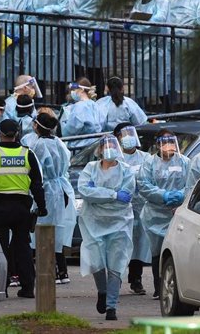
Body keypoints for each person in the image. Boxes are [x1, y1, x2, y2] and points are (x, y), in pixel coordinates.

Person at [0, 119, 47, 299]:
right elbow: (37, 183)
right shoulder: (27, 154)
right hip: (22, 208)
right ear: (17, 134)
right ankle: (28, 288)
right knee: (23, 248)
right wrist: (42, 206)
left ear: (0, 134)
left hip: (1, 208)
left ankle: (2, 287)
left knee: (1, 249)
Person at [77, 135, 135, 320]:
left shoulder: (126, 170)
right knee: (96, 262)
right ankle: (102, 291)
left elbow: (127, 195)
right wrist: (113, 194)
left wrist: (99, 194)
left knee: (116, 265)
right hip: (93, 221)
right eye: (105, 146)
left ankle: (111, 307)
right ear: (99, 150)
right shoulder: (90, 168)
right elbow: (85, 191)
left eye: (112, 145)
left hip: (119, 223)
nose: (109, 149)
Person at [138, 130, 189, 299]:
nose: (169, 145)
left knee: (176, 252)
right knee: (157, 252)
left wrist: (181, 196)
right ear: (158, 144)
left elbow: (192, 182)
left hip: (178, 212)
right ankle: (159, 287)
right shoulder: (149, 163)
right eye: (164, 142)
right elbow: (144, 185)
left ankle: (177, 287)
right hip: (155, 214)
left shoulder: (184, 162)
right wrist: (163, 196)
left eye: (171, 141)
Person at [27, 113, 77, 285]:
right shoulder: (58, 142)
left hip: (46, 188)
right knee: (56, 230)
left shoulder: (39, 145)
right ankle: (61, 271)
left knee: (43, 231)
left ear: (37, 126)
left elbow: (35, 169)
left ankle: (48, 271)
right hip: (59, 188)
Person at [113, 123, 151, 295]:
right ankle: (115, 279)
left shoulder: (145, 158)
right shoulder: (114, 158)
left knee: (139, 243)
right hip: (120, 207)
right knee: (119, 243)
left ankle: (136, 279)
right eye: (123, 134)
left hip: (140, 206)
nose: (127, 137)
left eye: (130, 133)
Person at [31, 0, 77, 97]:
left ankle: (59, 100)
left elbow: (66, 7)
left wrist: (46, 10)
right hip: (42, 33)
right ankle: (40, 100)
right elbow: (34, 5)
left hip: (58, 34)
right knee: (40, 68)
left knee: (60, 69)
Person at [69, 0, 112, 93]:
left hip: (93, 29)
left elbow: (106, 7)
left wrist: (99, 30)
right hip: (75, 30)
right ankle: (78, 97)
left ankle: (98, 98)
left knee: (95, 69)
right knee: (77, 69)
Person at [126, 0, 169, 106]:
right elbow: (132, 17)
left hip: (155, 48)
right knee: (140, 84)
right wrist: (130, 24)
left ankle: (169, 112)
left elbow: (158, 21)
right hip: (139, 48)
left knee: (159, 83)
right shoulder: (140, 1)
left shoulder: (161, 0)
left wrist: (136, 27)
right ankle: (142, 112)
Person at [0, 0, 34, 91]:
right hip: (5, 41)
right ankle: (10, 93)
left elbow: (31, 20)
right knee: (7, 68)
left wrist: (20, 34)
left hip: (22, 42)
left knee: (21, 68)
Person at [60, 78, 102, 149]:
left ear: (82, 89)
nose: (73, 92)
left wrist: (64, 127)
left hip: (80, 145)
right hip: (95, 143)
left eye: (74, 90)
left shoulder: (79, 106)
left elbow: (72, 128)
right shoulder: (95, 104)